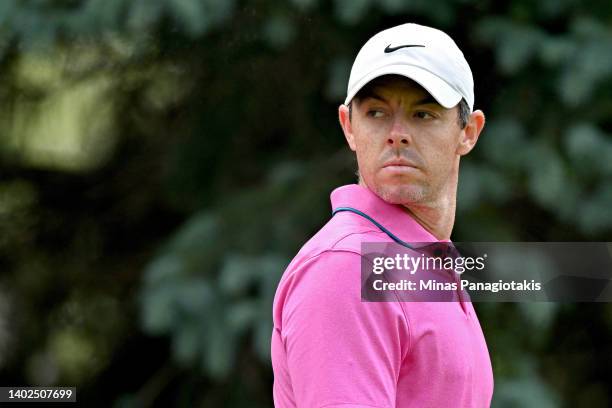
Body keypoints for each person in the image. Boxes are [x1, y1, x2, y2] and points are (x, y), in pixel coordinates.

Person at [271, 23, 493, 407]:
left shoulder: (423, 262)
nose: (397, 134)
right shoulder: (348, 267)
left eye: (423, 114)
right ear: (349, 127)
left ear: (468, 132)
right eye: (376, 112)